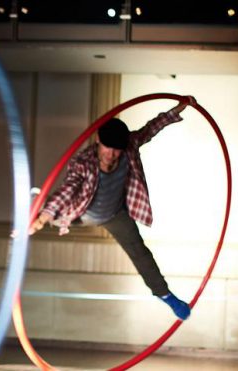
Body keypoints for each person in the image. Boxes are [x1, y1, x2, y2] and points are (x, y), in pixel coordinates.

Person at [28, 96, 198, 321]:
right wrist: (44, 217)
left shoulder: (130, 145)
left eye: (116, 151)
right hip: (82, 212)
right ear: (98, 140)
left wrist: (180, 106)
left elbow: (152, 127)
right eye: (108, 149)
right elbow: (68, 189)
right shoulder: (83, 162)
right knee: (54, 208)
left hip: (115, 214)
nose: (111, 155)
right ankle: (37, 206)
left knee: (140, 252)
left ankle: (165, 295)